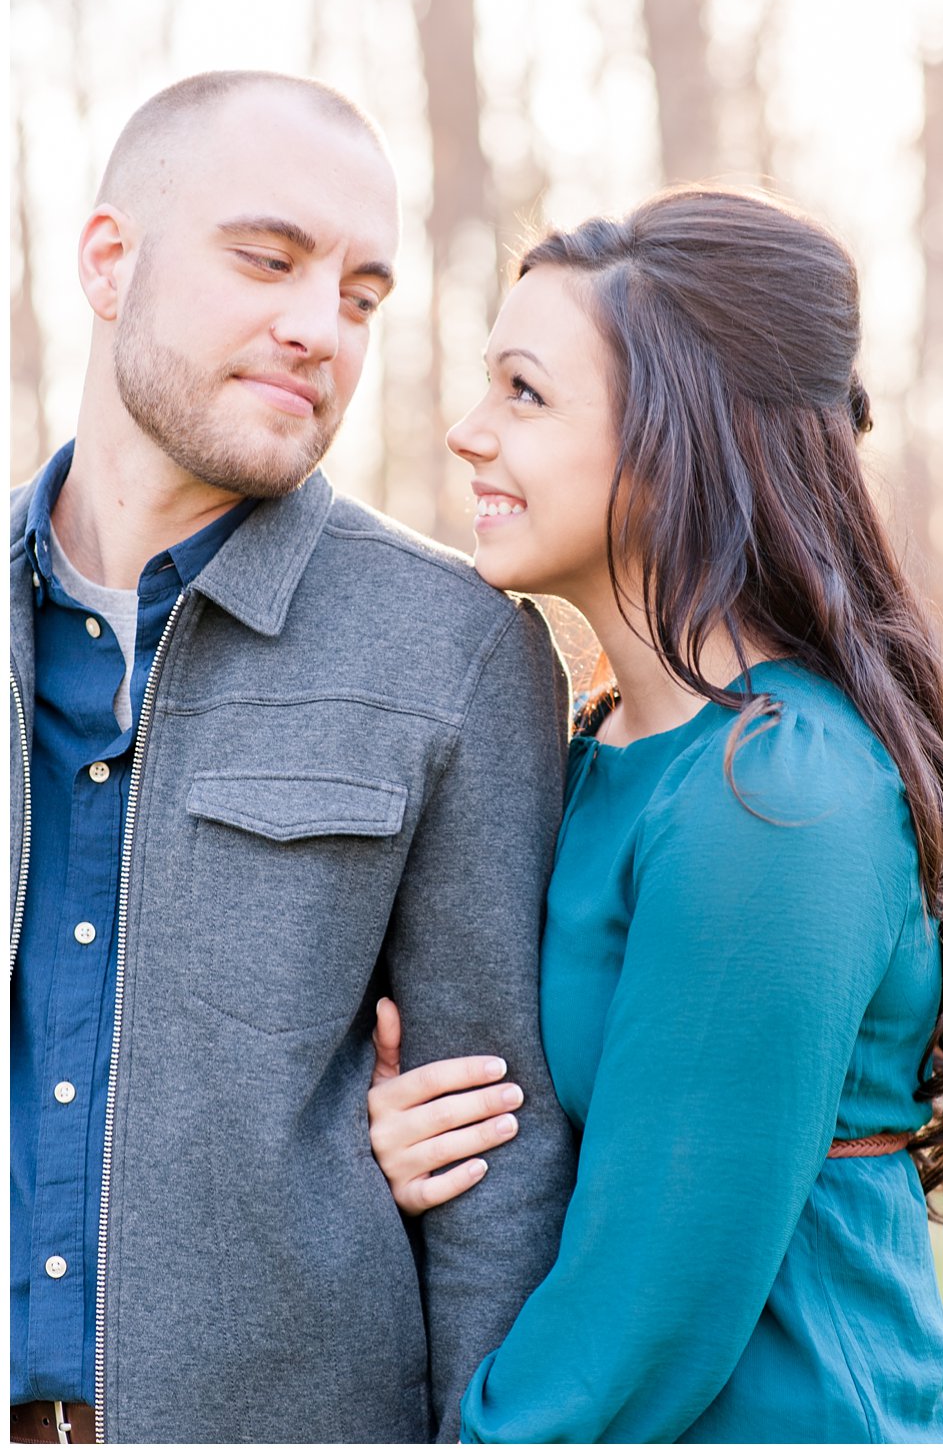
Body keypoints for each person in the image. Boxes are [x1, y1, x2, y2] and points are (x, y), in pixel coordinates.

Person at [367, 186, 943, 1442]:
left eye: (524, 394)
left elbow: (637, 1337)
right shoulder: (613, 753)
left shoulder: (775, 797)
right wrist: (380, 1145)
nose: (466, 430)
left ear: (673, 440)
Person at [10, 69, 577, 1445]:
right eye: (267, 260)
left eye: (364, 293)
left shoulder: (455, 650)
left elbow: (502, 1173)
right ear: (109, 260)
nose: (319, 327)